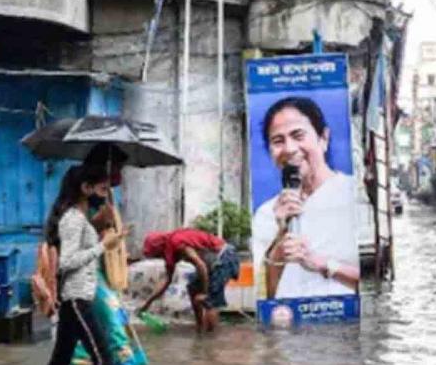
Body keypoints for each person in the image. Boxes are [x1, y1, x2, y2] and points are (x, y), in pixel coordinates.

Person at [33, 163, 128, 365]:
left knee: (61, 359)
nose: (105, 194)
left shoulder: (80, 219)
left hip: (75, 298)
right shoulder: (73, 219)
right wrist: (102, 247)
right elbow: (67, 262)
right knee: (102, 355)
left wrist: (110, 240)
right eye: (102, 189)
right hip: (76, 299)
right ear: (85, 188)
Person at [251, 96, 360, 299]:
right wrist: (281, 235)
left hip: (343, 323)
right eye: (278, 141)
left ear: (323, 138)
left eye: (298, 135)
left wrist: (324, 264)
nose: (290, 149)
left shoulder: (355, 194)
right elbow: (267, 295)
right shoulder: (267, 213)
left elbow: (375, 282)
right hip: (288, 323)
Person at [63, 146, 148, 365]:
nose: (120, 174)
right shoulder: (79, 199)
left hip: (99, 275)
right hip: (86, 277)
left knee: (81, 331)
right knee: (112, 328)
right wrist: (96, 224)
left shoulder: (104, 199)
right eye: (118, 168)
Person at [138, 228, 239, 333]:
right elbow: (166, 282)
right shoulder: (170, 253)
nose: (158, 257)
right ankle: (199, 329)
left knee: (210, 301)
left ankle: (209, 341)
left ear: (159, 248)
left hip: (225, 256)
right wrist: (147, 304)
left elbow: (201, 265)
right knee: (192, 288)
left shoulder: (177, 243)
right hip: (211, 263)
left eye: (156, 254)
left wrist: (204, 293)